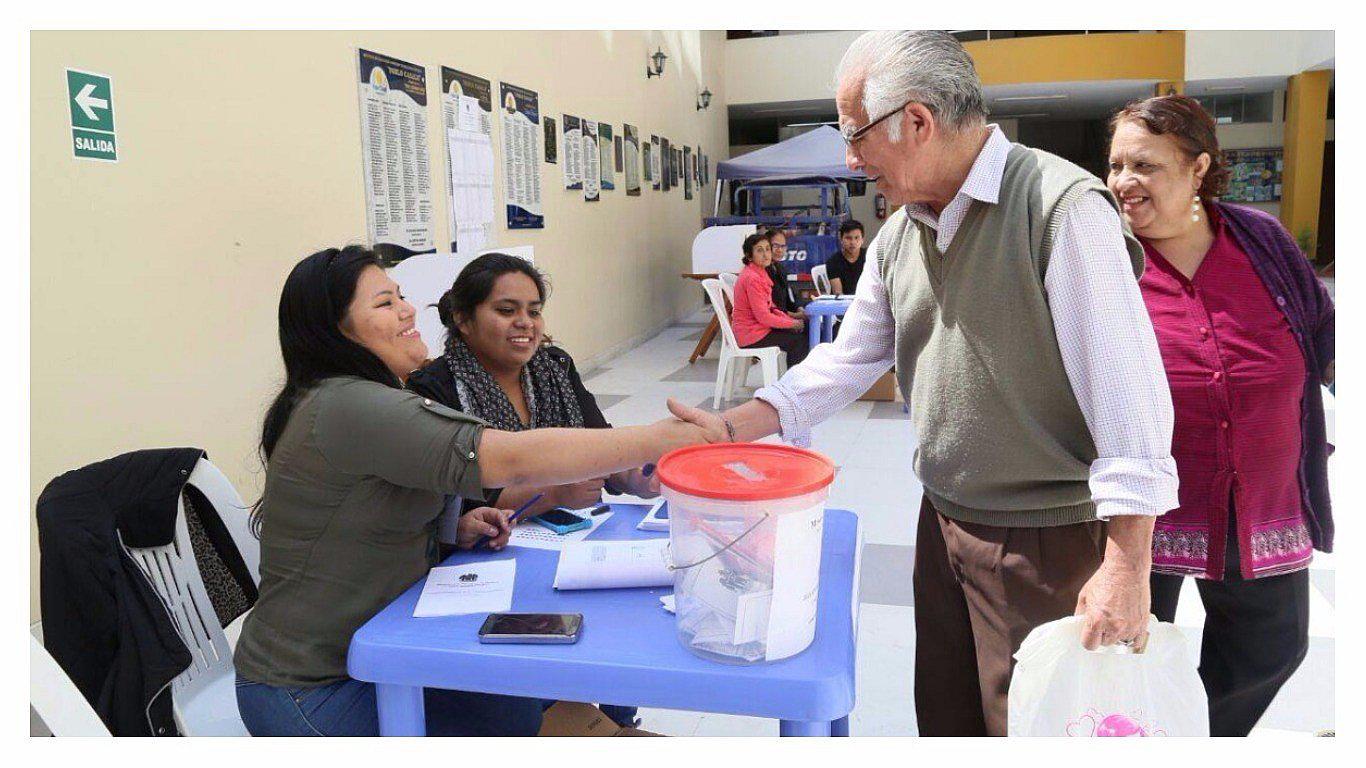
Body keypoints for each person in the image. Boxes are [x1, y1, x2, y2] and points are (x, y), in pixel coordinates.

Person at [687, 31, 1179, 736]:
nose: (850, 162)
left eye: (855, 136)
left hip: (1043, 541)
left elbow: (1130, 403)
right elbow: (849, 359)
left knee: (1033, 728)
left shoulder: (1060, 209)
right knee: (948, 719)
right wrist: (736, 425)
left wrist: (1128, 567)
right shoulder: (898, 234)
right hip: (943, 521)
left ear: (916, 122)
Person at [234, 246, 721, 736]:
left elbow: (368, 505)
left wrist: (454, 526)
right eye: (385, 303)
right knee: (523, 699)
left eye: (401, 296)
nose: (408, 309)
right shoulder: (355, 404)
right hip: (318, 687)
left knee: (524, 692)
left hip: (385, 644)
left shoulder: (365, 397)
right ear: (334, 330)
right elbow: (512, 458)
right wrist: (664, 437)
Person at [1107, 95, 1335, 736]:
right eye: (1116, 164)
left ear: (1198, 167)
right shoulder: (1103, 254)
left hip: (1260, 497)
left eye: (1145, 165)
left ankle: (1195, 739)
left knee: (1274, 646)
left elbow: (1321, 332)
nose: (1125, 181)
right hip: (1140, 511)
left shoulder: (1262, 241)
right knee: (1123, 663)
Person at [408, 253, 658, 521]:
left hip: (577, 538)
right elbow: (449, 504)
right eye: (506, 310)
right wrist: (552, 494)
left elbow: (599, 444)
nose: (526, 322)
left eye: (534, 311)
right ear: (464, 319)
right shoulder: (432, 390)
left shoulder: (556, 367)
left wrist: (635, 477)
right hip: (486, 549)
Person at [731, 232, 809, 367]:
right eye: (759, 250)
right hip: (752, 334)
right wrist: (792, 324)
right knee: (798, 341)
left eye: (767, 249)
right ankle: (791, 384)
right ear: (749, 256)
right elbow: (764, 317)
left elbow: (772, 308)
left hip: (760, 329)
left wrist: (791, 321)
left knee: (806, 328)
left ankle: (798, 379)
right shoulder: (753, 278)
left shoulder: (759, 272)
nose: (766, 254)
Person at [764, 228, 803, 319]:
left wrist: (799, 308)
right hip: (773, 324)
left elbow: (790, 295)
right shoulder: (762, 271)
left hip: (785, 317)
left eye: (783, 246)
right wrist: (794, 317)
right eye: (776, 246)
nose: (780, 250)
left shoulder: (780, 268)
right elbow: (770, 309)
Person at [825, 219, 867, 296]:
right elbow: (838, 294)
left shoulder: (870, 257)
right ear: (841, 239)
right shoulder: (833, 262)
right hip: (844, 304)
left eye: (857, 238)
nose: (853, 242)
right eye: (848, 238)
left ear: (862, 240)